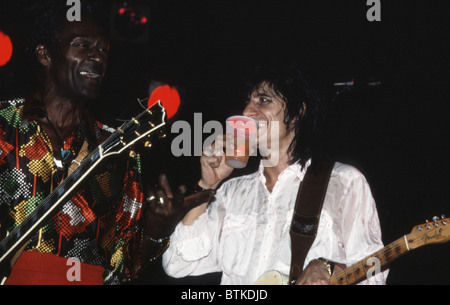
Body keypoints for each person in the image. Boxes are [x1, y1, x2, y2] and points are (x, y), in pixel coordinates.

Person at [0, 2, 213, 285]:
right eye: (82, 45)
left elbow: (122, 267)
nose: (97, 57)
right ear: (45, 54)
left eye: (103, 49)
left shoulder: (118, 147)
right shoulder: (5, 126)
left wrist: (157, 228)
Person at [162, 63, 388, 285]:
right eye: (248, 101)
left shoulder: (343, 182)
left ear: (299, 111)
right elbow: (176, 264)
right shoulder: (231, 192)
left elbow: (375, 273)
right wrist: (207, 186)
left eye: (263, 100)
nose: (247, 112)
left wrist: (328, 267)